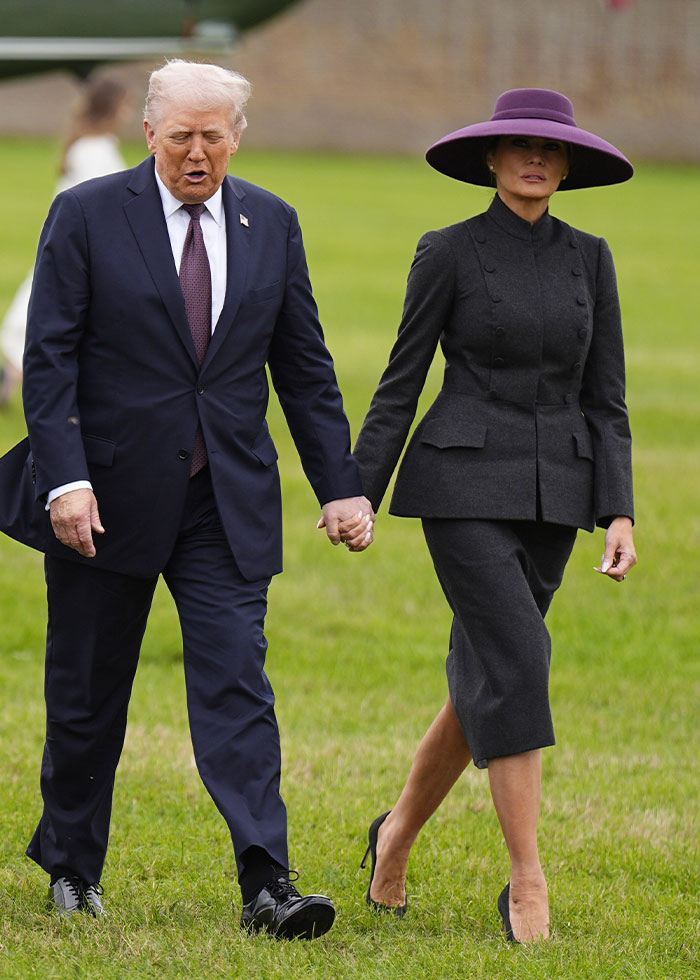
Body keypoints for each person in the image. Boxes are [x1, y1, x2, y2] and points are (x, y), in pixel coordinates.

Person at [0, 60, 374, 937]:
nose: (197, 153)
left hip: (224, 501)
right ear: (150, 136)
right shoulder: (89, 215)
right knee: (89, 693)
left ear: (236, 136)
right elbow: (50, 361)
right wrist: (67, 477)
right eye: (181, 137)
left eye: (213, 136)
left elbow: (305, 370)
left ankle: (267, 883)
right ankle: (71, 865)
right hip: (105, 499)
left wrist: (340, 488)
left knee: (239, 684)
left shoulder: (272, 223)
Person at [350, 88, 637, 943]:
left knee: (488, 673)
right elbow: (401, 381)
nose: (535, 160)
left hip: (560, 493)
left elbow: (609, 399)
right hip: (462, 484)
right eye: (518, 147)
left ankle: (394, 833)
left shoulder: (592, 258)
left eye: (551, 150)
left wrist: (618, 509)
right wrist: (359, 487)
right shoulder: (449, 251)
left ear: (569, 165)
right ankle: (527, 881)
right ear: (489, 157)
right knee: (520, 658)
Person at [0, 76, 130, 405]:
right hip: (79, 246)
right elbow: (95, 201)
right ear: (112, 108)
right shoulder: (92, 149)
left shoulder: (98, 145)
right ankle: (23, 382)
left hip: (80, 245)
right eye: (125, 105)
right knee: (51, 313)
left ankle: (16, 380)